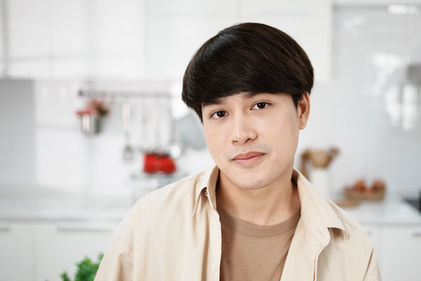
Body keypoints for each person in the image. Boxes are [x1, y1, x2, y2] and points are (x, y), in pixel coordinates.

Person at [94, 22, 380, 281]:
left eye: (260, 105)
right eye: (219, 113)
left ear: (302, 109)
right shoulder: (149, 224)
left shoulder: (352, 249)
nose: (240, 134)